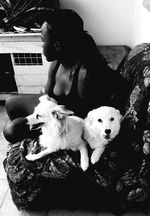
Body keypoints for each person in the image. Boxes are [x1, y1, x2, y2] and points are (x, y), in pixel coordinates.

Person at [3, 9, 129, 144]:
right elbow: (47, 94)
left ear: (57, 45)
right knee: (11, 103)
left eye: (43, 41)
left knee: (11, 130)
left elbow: (86, 117)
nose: (42, 46)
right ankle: (28, 136)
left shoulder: (86, 75)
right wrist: (38, 112)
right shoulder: (58, 62)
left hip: (65, 120)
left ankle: (31, 139)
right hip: (53, 106)